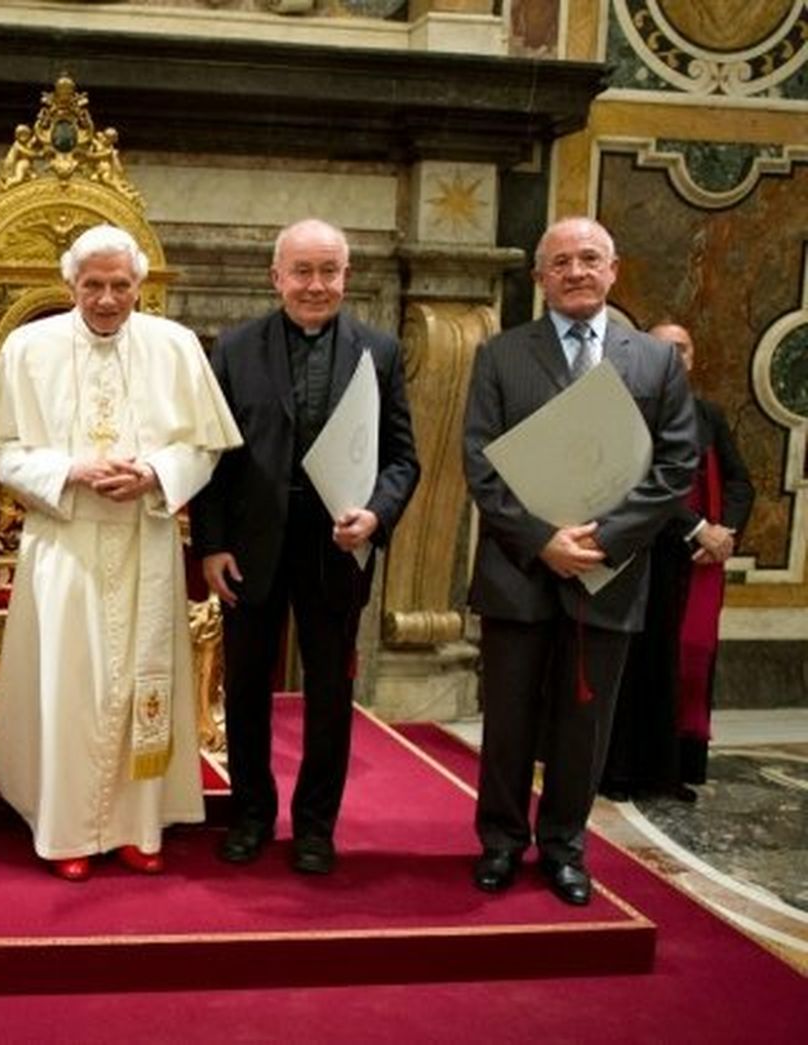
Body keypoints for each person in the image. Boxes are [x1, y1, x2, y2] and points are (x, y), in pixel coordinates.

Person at [0, 224, 240, 881]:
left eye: (120, 285)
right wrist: (71, 470)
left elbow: (206, 446)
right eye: (93, 285)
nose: (106, 299)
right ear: (69, 283)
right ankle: (67, 827)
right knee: (71, 686)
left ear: (139, 286)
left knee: (136, 686)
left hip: (144, 541)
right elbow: (2, 453)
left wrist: (155, 472)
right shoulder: (27, 349)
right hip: (65, 542)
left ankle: (135, 824)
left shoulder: (176, 346)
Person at [463, 217, 697, 906]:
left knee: (583, 726)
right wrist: (543, 540)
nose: (576, 271)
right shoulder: (500, 355)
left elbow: (676, 464)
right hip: (518, 571)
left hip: (609, 575)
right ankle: (501, 842)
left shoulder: (653, 362)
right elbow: (480, 464)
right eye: (560, 261)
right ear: (540, 278)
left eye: (589, 258)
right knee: (508, 721)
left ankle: (565, 848)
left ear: (613, 269)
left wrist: (603, 541)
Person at [192, 218, 420, 876]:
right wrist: (211, 544)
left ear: (347, 276)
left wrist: (376, 515)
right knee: (245, 689)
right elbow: (212, 458)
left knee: (328, 695)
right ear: (277, 277)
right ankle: (251, 815)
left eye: (328, 271)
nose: (315, 285)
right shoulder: (234, 348)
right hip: (250, 548)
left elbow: (402, 459)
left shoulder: (380, 351)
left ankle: (317, 826)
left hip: (337, 547)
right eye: (302, 271)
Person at [601, 322, 753, 803]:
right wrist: (696, 527)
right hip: (643, 554)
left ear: (692, 358)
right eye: (663, 348)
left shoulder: (709, 414)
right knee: (638, 666)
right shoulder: (626, 412)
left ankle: (669, 771)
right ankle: (621, 773)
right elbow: (640, 482)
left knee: (684, 664)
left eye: (682, 349)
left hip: (697, 560)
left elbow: (739, 481)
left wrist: (724, 532)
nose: (674, 356)